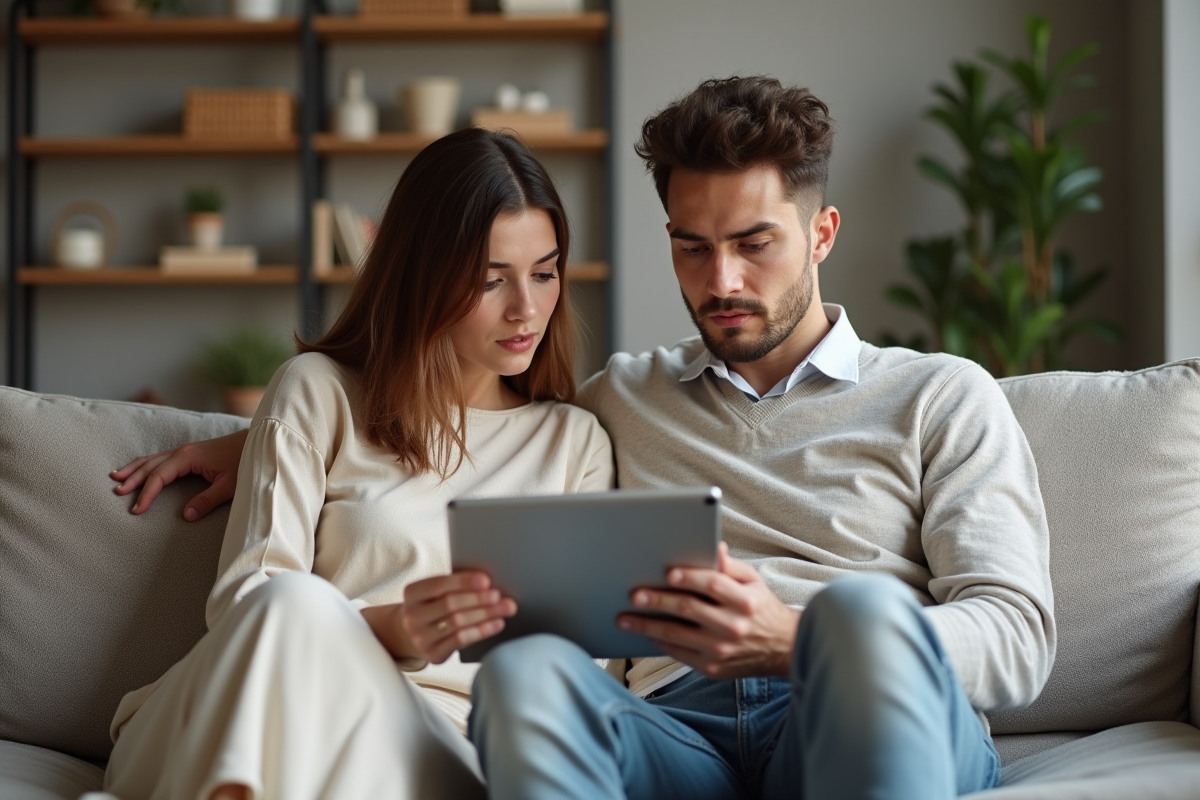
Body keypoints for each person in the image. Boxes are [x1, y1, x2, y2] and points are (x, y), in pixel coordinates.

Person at [119, 76, 1055, 800]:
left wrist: (793, 640)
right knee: (528, 667)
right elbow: (442, 409)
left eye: (755, 242)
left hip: (850, 703)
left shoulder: (940, 396)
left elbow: (1017, 639)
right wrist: (249, 442)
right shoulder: (623, 401)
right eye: (692, 244)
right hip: (671, 730)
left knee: (860, 618)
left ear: (822, 234)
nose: (721, 277)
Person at [94, 127, 614, 800]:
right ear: (422, 276)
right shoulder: (317, 389)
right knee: (294, 599)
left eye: (545, 273)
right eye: (492, 280)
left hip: (432, 745)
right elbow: (250, 605)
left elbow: (582, 669)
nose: (528, 308)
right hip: (263, 703)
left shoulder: (573, 444)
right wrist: (393, 627)